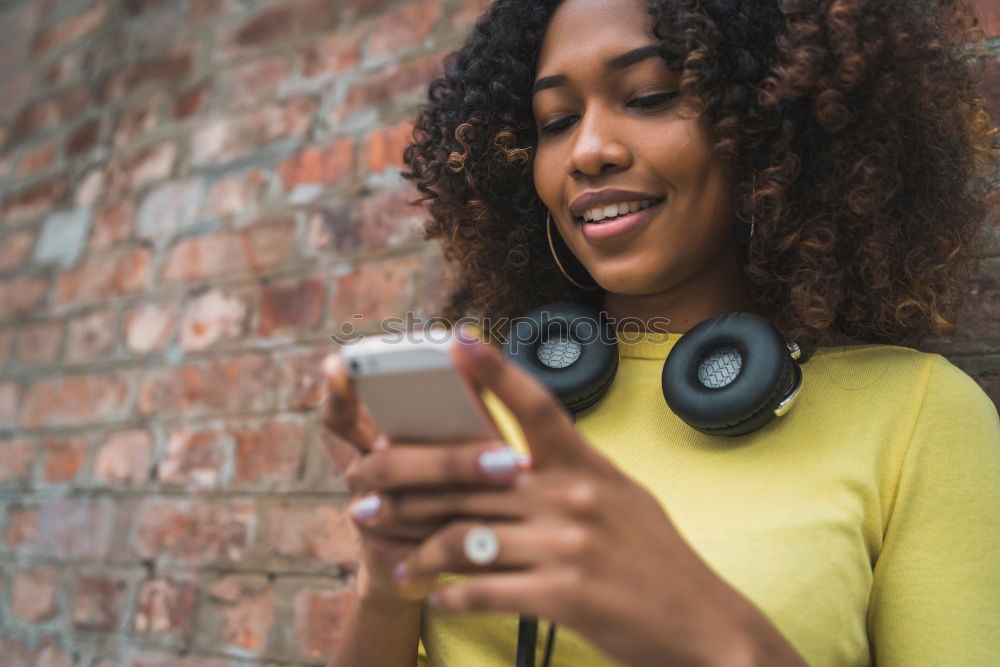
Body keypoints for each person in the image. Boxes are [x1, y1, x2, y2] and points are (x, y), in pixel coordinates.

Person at [321, 0, 1000, 664]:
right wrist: (384, 588)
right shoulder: (485, 400)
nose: (587, 151)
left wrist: (709, 628)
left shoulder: (918, 416)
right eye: (556, 121)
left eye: (647, 97)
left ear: (769, 116)